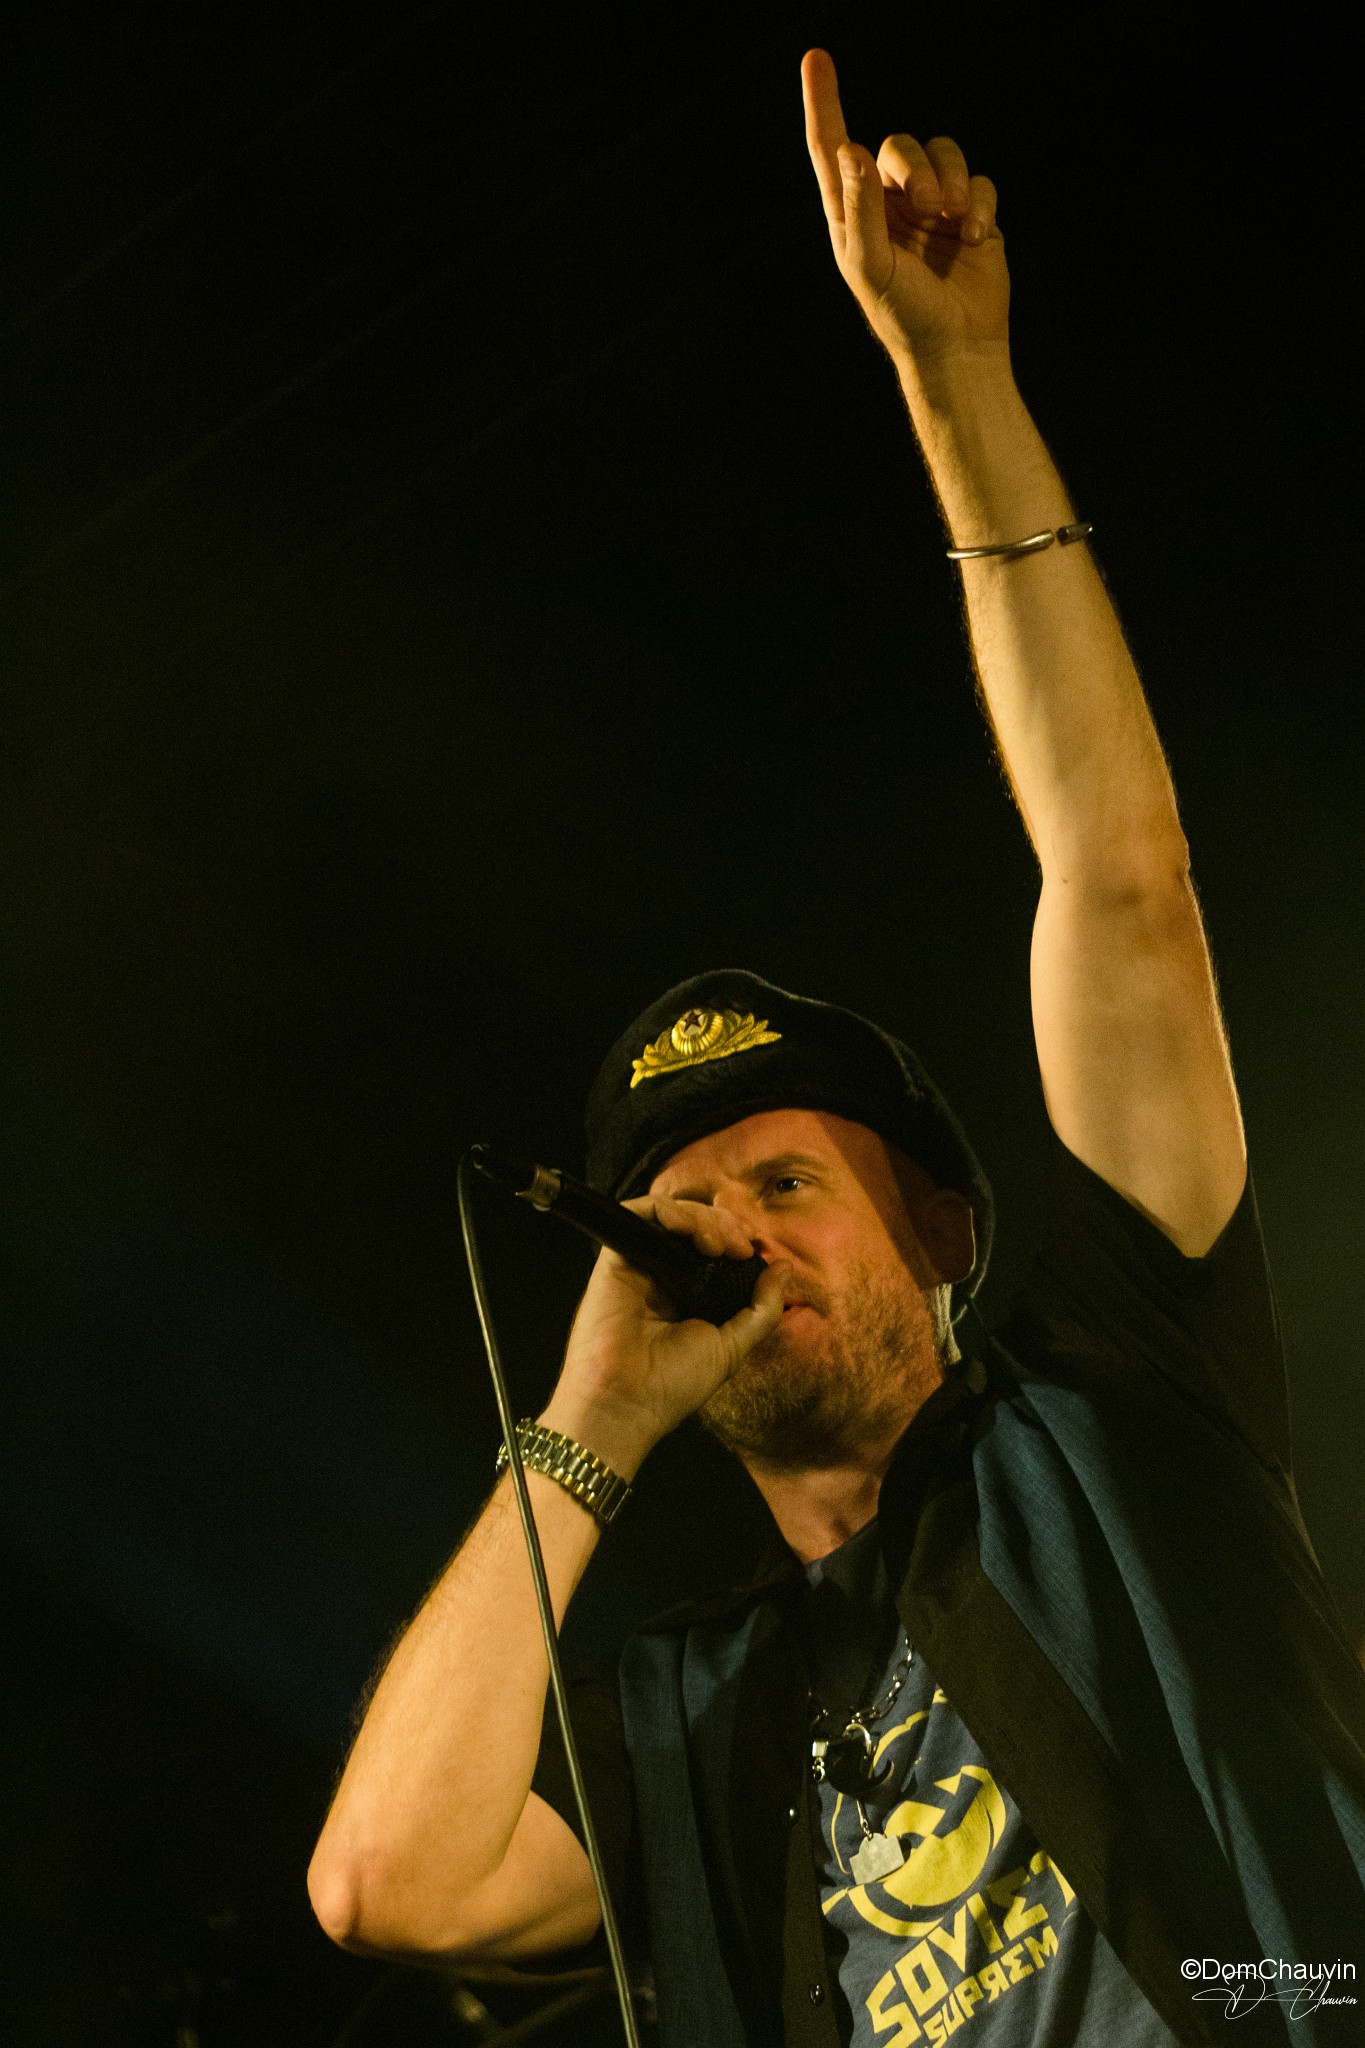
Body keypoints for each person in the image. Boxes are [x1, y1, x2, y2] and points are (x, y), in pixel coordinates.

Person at [307, 48, 1365, 2047]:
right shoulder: (698, 1709)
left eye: (786, 1180)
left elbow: (1118, 879)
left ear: (942, 1231)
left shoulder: (1117, 1408)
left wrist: (952, 386)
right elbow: (389, 1882)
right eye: (689, 1203)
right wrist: (590, 1420)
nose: (733, 1233)